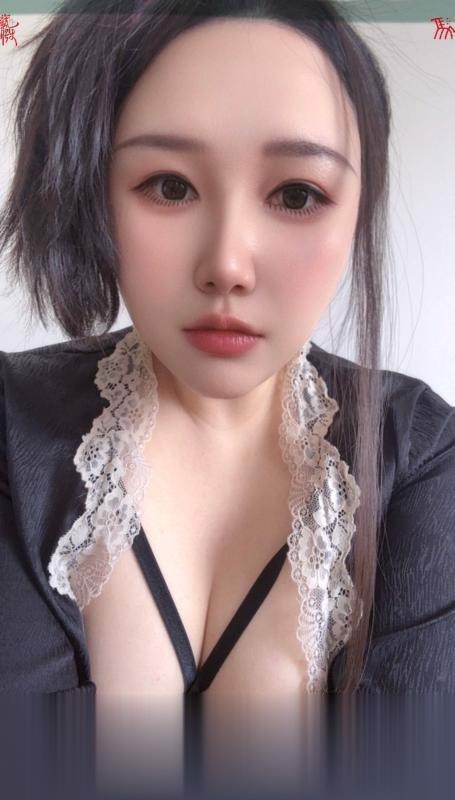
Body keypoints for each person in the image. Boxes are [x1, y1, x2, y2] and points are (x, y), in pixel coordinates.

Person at [0, 0, 454, 795]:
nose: (228, 266)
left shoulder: (424, 457)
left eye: (296, 194)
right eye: (169, 185)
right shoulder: (9, 425)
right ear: (93, 191)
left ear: (357, 210)